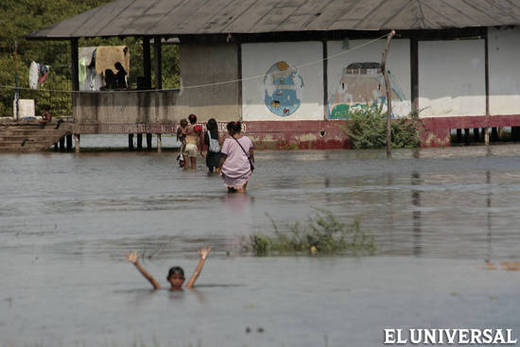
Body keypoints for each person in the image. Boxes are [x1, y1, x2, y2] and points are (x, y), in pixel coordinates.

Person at [126, 247, 212, 290]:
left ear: (183, 280)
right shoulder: (161, 290)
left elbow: (196, 274)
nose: (177, 280)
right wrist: (136, 263)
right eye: (174, 278)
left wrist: (203, 258)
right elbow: (150, 278)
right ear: (168, 279)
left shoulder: (188, 287)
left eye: (180, 278)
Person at [216, 121, 254, 193]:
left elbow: (223, 157)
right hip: (243, 169)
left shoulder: (228, 141)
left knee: (230, 191)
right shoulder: (247, 139)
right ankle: (244, 203)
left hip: (229, 170)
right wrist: (251, 162)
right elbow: (251, 153)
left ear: (231, 130)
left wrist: (219, 167)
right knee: (242, 190)